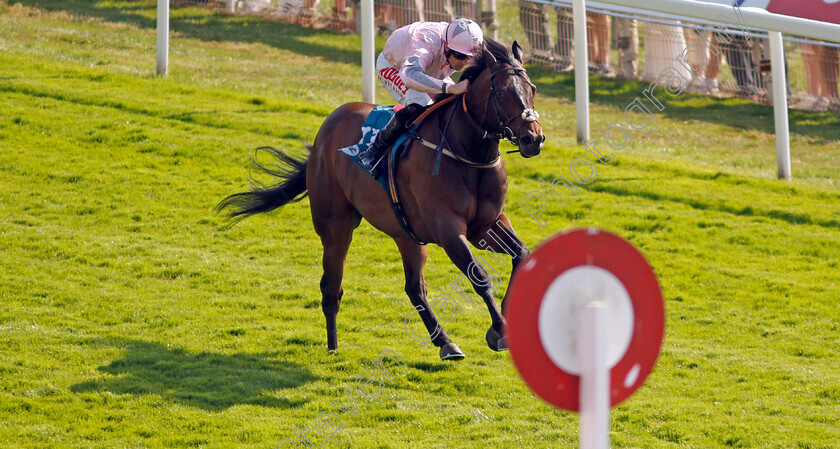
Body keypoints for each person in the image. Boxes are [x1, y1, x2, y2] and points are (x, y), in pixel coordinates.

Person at [359, 18, 484, 171]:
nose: (465, 62)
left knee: (453, 103)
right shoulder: (426, 42)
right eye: (460, 56)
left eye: (469, 57)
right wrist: (450, 87)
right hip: (395, 67)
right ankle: (374, 150)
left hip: (431, 68)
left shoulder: (462, 42)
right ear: (446, 45)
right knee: (420, 103)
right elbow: (409, 75)